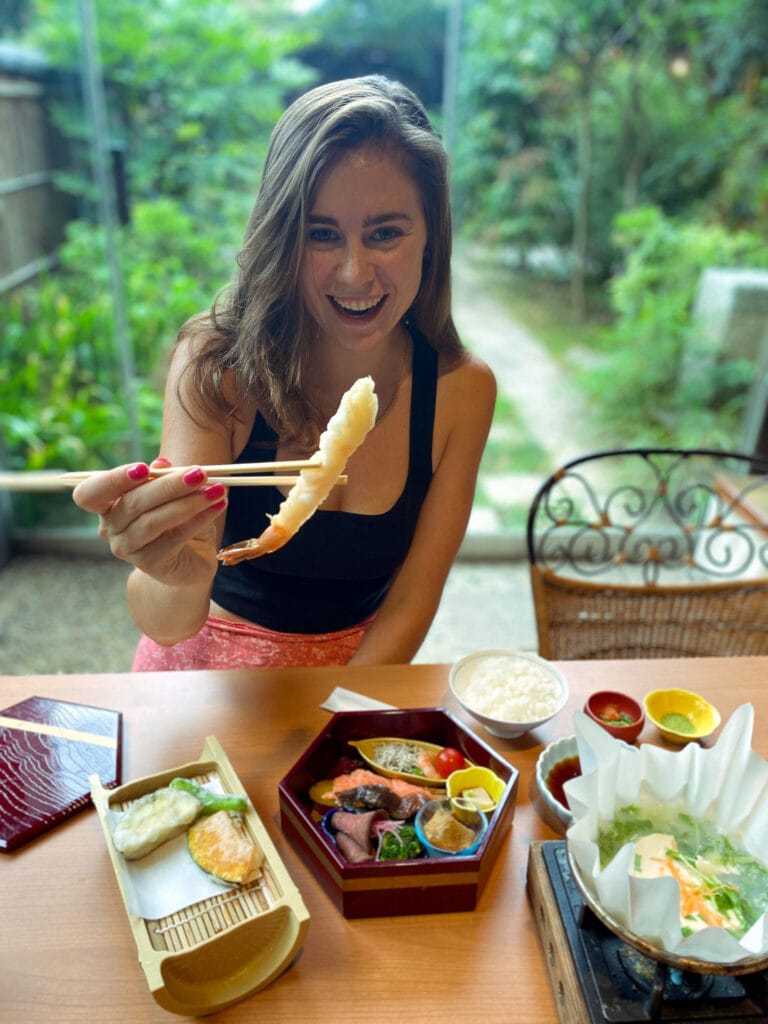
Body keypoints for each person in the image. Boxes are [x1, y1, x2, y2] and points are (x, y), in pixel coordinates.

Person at [73, 75, 497, 670]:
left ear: (431, 235)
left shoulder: (462, 391)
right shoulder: (218, 364)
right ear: (280, 239)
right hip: (203, 674)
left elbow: (410, 605)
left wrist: (336, 729)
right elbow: (166, 625)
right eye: (320, 234)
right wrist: (176, 573)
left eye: (385, 233)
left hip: (360, 678)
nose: (355, 273)